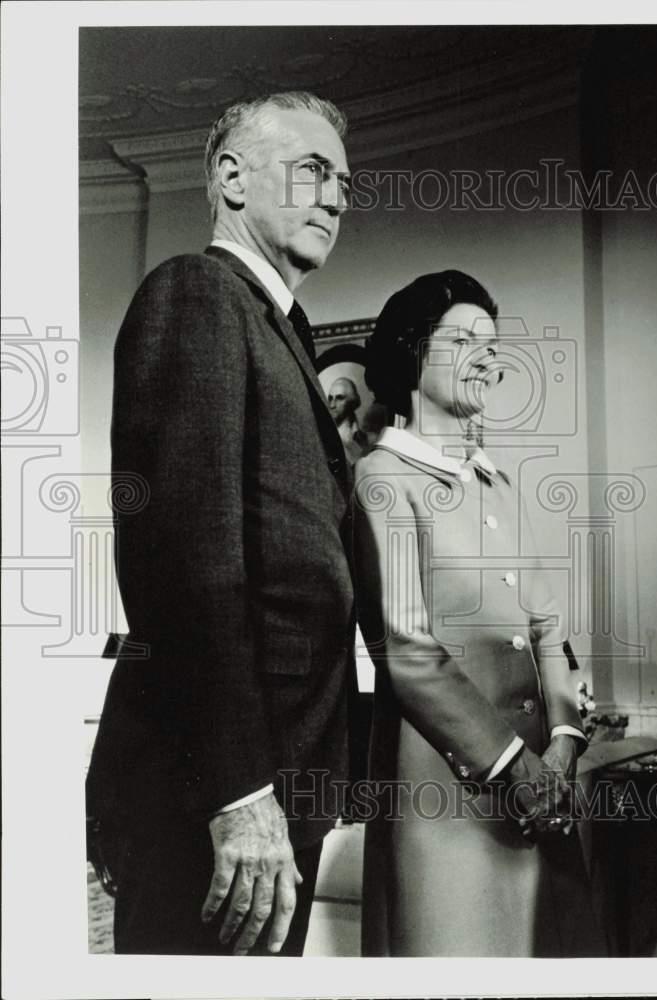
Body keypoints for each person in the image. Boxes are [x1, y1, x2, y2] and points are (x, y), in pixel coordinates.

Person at [86, 92, 355, 956]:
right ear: (232, 179)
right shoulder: (197, 293)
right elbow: (183, 568)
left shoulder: (281, 328)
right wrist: (238, 793)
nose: (338, 196)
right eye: (313, 170)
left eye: (344, 182)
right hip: (220, 797)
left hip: (280, 785)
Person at [353, 270, 606, 956]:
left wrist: (561, 741)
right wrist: (511, 768)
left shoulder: (497, 483)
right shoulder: (382, 480)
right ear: (411, 352)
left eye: (492, 343)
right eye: (463, 339)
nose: (487, 356)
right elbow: (408, 652)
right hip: (444, 793)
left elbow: (548, 626)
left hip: (544, 792)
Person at [327, 376, 369, 465]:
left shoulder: (363, 439)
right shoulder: (324, 434)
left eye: (339, 398)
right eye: (330, 398)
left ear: (352, 402)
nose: (332, 405)